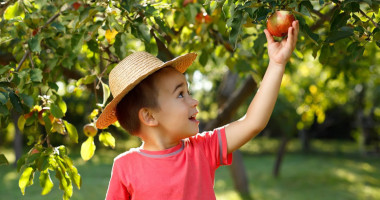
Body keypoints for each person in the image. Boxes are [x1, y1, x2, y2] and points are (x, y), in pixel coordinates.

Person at [96, 20, 299, 200]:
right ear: (149, 116)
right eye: (180, 94)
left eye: (188, 91)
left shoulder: (202, 150)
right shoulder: (125, 167)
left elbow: (253, 123)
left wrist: (277, 63)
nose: (194, 101)